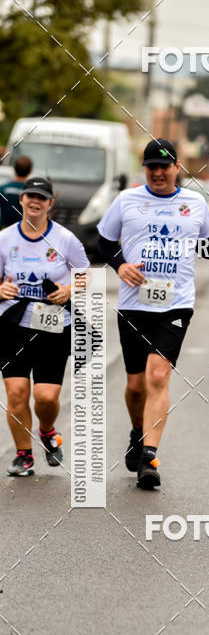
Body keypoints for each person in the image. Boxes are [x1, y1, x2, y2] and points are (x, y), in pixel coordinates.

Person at [97, 138, 209, 490]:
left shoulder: (194, 203)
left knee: (158, 376)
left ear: (177, 167)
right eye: (151, 167)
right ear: (144, 169)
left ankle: (149, 455)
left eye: (164, 166)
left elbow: (205, 244)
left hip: (175, 305)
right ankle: (137, 431)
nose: (158, 173)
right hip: (134, 303)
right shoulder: (127, 200)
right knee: (135, 386)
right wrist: (120, 266)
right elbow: (103, 241)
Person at [0, 176, 89, 476]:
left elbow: (84, 274)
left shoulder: (65, 239)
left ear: (51, 203)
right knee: (16, 393)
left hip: (52, 327)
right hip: (12, 325)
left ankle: (48, 431)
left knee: (46, 398)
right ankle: (24, 454)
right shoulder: (5, 238)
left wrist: (69, 291)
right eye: (30, 196)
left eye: (41, 197)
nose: (35, 201)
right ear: (22, 200)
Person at [0, 156, 33, 229]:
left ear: (14, 169)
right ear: (30, 171)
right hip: (24, 231)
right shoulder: (33, 192)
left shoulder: (2, 189)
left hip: (4, 230)